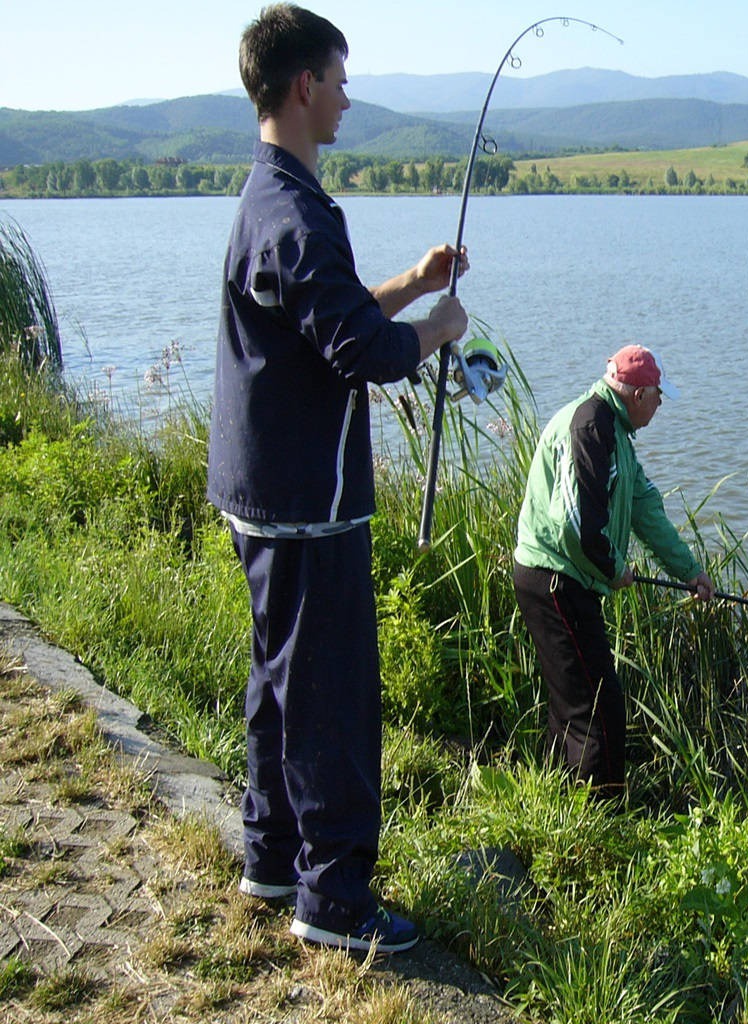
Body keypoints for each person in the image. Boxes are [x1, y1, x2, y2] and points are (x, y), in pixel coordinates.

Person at [206, 3, 469, 955]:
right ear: (305, 83)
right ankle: (335, 899)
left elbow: (330, 319)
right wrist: (435, 329)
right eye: (342, 78)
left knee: (280, 685)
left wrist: (408, 280)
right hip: (305, 510)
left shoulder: (270, 202)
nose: (350, 98)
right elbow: (360, 351)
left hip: (267, 494)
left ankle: (272, 858)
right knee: (330, 699)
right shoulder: (292, 214)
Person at [513, 345, 714, 800]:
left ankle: (560, 798)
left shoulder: (616, 432)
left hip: (567, 578)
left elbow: (645, 508)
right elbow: (578, 527)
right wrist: (615, 568)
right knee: (600, 705)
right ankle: (604, 815)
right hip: (553, 579)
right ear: (638, 394)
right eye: (659, 396)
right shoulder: (592, 427)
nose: (661, 405)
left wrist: (689, 571)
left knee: (573, 701)